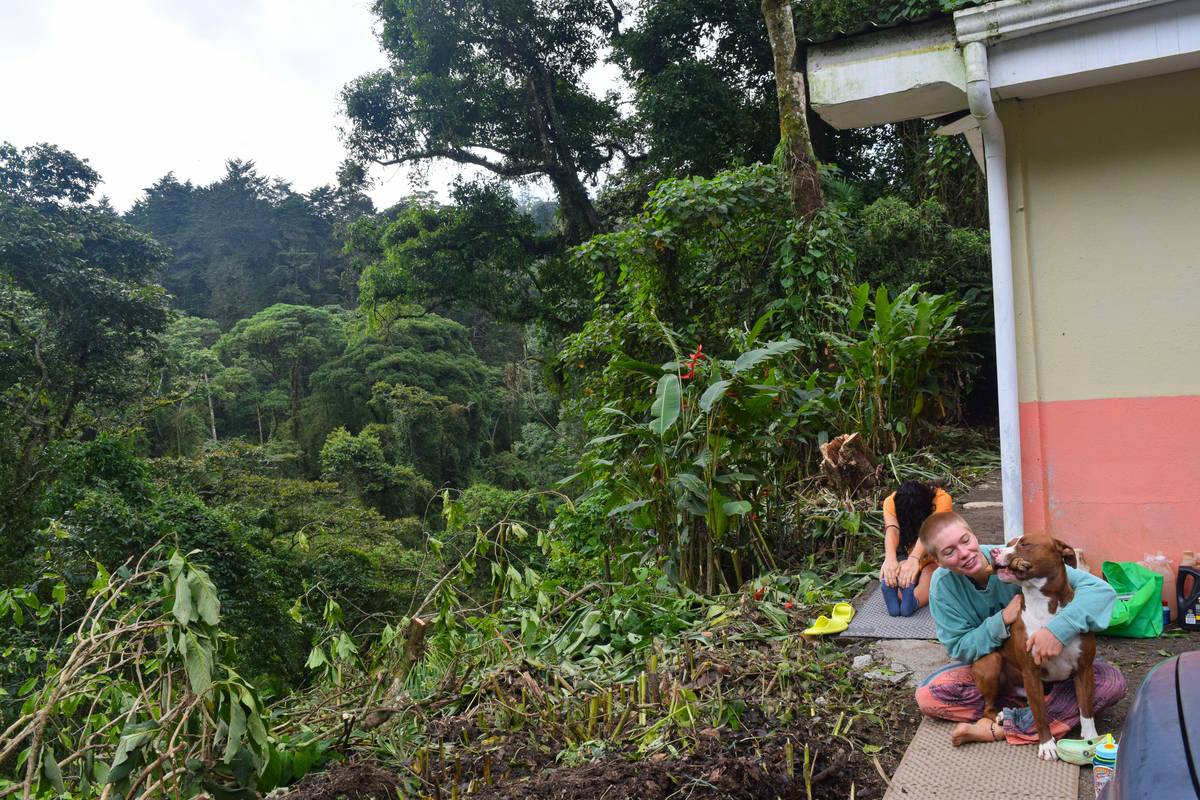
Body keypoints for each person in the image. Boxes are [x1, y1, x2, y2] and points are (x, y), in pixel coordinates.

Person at [913, 512, 1126, 746]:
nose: (964, 554)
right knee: (929, 697)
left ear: (974, 536)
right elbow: (959, 649)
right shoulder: (942, 587)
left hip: (1057, 670)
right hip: (1004, 676)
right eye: (949, 552)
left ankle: (1003, 726)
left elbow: (1101, 591)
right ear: (938, 561)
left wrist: (1057, 630)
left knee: (1112, 682)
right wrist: (1002, 619)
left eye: (965, 541)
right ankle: (1037, 714)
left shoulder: (1015, 555)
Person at [879, 480, 952, 616]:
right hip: (923, 553)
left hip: (930, 548)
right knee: (930, 574)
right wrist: (890, 559)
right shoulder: (943, 498)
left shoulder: (941, 500)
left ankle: (894, 586)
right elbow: (893, 530)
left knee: (908, 573)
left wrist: (910, 559)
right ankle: (914, 601)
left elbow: (929, 530)